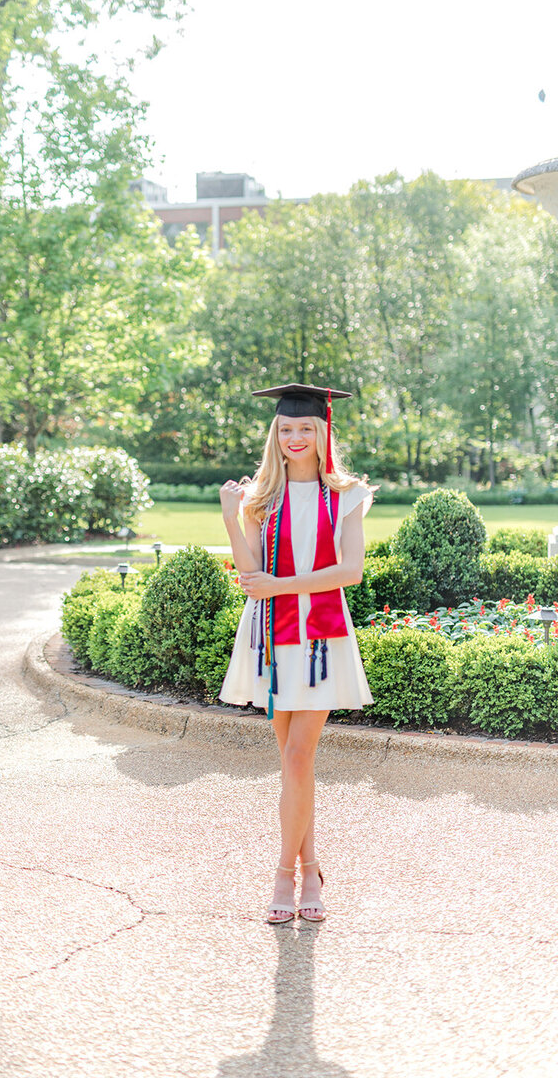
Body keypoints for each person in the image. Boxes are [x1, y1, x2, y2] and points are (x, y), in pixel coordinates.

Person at [218, 382, 374, 925]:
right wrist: (231, 518)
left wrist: (282, 586)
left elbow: (349, 571)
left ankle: (283, 875)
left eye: (305, 427)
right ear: (275, 435)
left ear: (323, 430)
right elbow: (249, 575)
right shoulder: (263, 496)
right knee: (292, 764)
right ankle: (312, 870)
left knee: (298, 757)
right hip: (272, 639)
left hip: (322, 641)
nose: (295, 437)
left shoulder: (346, 495)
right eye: (286, 429)